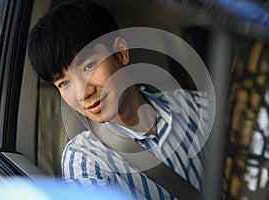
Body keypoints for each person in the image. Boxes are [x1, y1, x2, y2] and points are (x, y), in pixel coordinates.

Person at [28, 1, 209, 199]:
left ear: (121, 53)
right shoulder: (85, 159)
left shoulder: (195, 106)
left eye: (88, 66)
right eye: (64, 83)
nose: (82, 94)